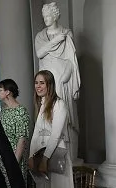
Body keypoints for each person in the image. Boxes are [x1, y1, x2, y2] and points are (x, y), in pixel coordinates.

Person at [29, 70, 82, 188]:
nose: (38, 86)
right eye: (36, 83)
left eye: (42, 83)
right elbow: (36, 133)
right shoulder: (41, 104)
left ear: (50, 84)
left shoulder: (59, 104)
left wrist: (45, 158)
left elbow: (55, 134)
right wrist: (31, 157)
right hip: (41, 156)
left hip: (55, 156)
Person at [35, 1, 81, 162]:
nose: (46, 19)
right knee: (47, 115)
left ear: (55, 16)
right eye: (44, 16)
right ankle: (49, 153)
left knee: (65, 114)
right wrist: (56, 41)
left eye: (48, 16)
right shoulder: (41, 36)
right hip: (48, 81)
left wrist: (65, 78)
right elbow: (40, 53)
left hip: (63, 80)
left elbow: (71, 60)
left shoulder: (67, 33)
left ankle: (69, 156)